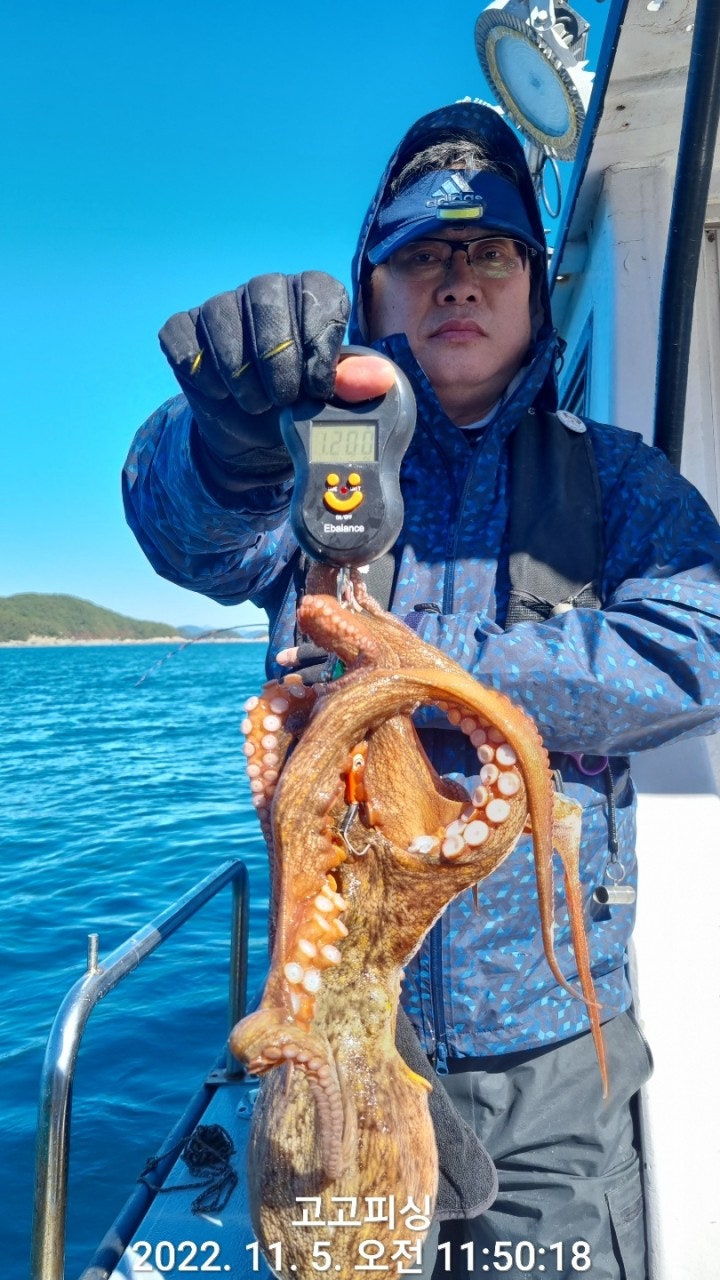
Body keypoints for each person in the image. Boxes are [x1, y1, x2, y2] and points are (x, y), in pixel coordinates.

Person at [123, 102, 720, 1278]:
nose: (458, 278)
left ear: (536, 287)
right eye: (422, 254)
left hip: (550, 1059)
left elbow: (701, 638)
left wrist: (424, 673)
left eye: (491, 250)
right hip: (331, 1044)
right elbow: (182, 530)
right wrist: (224, 443)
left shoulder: (618, 480)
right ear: (373, 288)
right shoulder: (310, 467)